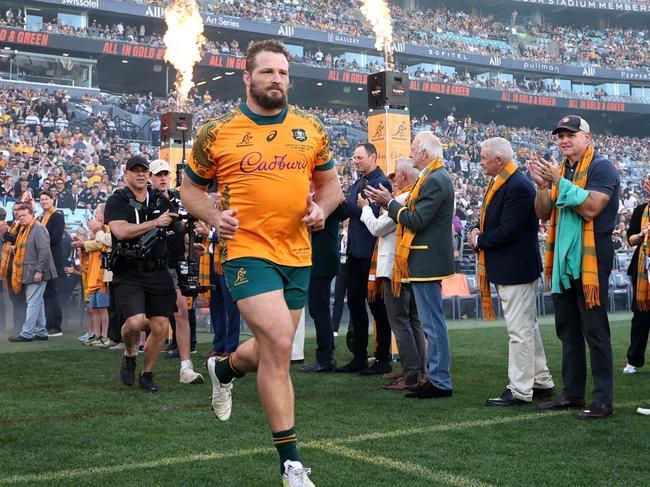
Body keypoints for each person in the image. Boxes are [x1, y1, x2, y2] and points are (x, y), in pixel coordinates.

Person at [180, 39, 341, 487]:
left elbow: (332, 188)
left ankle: (224, 367)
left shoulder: (311, 127)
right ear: (247, 77)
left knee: (278, 347)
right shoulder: (217, 130)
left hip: (297, 253)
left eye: (283, 73)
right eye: (268, 72)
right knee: (277, 340)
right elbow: (189, 190)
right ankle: (291, 464)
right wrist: (214, 216)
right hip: (246, 248)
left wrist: (322, 210)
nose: (276, 80)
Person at [530, 115, 619, 420]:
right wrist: (543, 186)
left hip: (592, 255)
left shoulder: (601, 167)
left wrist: (557, 181)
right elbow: (543, 213)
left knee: (594, 329)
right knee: (567, 329)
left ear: (587, 137)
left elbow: (592, 208)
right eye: (560, 136)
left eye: (570, 134)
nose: (564, 140)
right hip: (563, 257)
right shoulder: (561, 170)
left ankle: (603, 400)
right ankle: (571, 393)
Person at [365, 131, 455, 399]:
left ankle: (440, 380)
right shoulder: (433, 177)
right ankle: (436, 377)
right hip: (423, 259)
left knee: (431, 324)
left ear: (425, 153)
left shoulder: (435, 179)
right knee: (427, 323)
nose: (412, 153)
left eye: (415, 149)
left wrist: (389, 203)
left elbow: (416, 221)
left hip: (426, 260)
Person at [468, 137, 554, 406]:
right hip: (512, 267)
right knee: (528, 328)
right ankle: (541, 379)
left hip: (516, 268)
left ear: (499, 160)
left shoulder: (516, 185)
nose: (480, 163)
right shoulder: (505, 182)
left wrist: (479, 240)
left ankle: (519, 389)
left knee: (520, 331)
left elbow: (508, 231)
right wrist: (475, 231)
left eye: (484, 158)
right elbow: (490, 220)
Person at [104, 155, 178, 393]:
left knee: (159, 326)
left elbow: (175, 228)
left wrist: (189, 235)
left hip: (157, 270)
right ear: (126, 174)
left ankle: (147, 374)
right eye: (134, 170)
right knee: (136, 323)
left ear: (148, 174)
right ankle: (129, 352)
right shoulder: (117, 200)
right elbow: (122, 231)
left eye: (143, 170)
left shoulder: (160, 199)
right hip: (128, 271)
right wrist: (155, 222)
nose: (140, 174)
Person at [360, 157, 426, 390]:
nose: (392, 181)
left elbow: (378, 228)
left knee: (400, 322)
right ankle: (419, 370)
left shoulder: (400, 199)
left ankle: (411, 374)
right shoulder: (413, 196)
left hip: (395, 271)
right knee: (413, 322)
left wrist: (365, 209)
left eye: (395, 176)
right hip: (409, 268)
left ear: (404, 176)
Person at [335, 142, 393, 375]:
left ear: (373, 157)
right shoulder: (358, 182)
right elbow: (351, 210)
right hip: (354, 252)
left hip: (371, 254)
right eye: (354, 157)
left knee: (377, 306)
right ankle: (359, 356)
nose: (355, 161)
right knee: (355, 304)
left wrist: (355, 207)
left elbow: (378, 217)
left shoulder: (381, 183)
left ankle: (383, 359)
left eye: (359, 157)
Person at [148, 158, 204, 384]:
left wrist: (191, 243)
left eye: (165, 174)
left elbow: (184, 230)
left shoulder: (178, 199)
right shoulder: (146, 201)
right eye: (158, 175)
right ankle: (132, 353)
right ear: (151, 178)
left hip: (175, 262)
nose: (162, 178)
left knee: (181, 310)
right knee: (144, 319)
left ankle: (186, 367)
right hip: (152, 264)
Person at [8, 204, 57, 342]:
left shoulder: (39, 229)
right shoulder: (24, 229)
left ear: (32, 214)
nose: (21, 218)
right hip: (29, 271)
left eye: (24, 215)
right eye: (19, 216)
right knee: (37, 302)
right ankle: (41, 332)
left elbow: (44, 251)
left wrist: (39, 271)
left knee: (33, 303)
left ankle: (27, 333)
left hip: (36, 272)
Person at [622, 180, 650, 375]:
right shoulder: (641, 210)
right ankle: (633, 360)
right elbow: (630, 240)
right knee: (640, 317)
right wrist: (643, 233)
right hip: (642, 270)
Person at [38, 191, 65, 336]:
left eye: (46, 199)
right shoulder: (40, 217)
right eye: (41, 199)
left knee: (53, 292)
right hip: (43, 259)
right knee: (46, 294)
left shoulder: (57, 216)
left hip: (53, 259)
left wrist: (39, 244)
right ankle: (47, 325)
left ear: (52, 200)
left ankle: (56, 326)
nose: (43, 201)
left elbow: (55, 239)